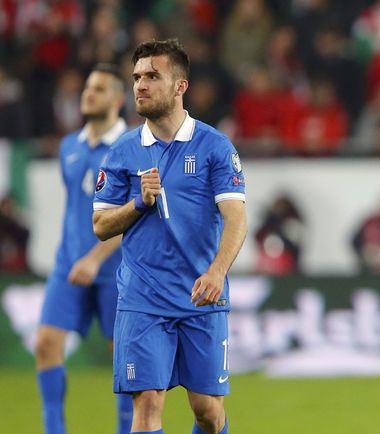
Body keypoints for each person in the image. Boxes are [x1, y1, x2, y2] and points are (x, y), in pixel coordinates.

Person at [92, 39, 247, 434]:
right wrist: (138, 204)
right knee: (146, 406)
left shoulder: (214, 146)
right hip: (142, 298)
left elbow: (236, 218)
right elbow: (101, 225)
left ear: (180, 86)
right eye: (136, 77)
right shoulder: (123, 151)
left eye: (152, 76)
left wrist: (217, 272)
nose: (140, 85)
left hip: (201, 295)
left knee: (207, 412)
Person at [34, 63, 132, 434]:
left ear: (118, 101)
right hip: (69, 264)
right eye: (88, 87)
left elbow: (134, 215)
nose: (88, 93)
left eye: (99, 89)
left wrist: (95, 258)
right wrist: (80, 256)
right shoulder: (69, 146)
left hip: (117, 271)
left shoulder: (133, 148)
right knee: (45, 344)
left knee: (125, 360)